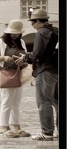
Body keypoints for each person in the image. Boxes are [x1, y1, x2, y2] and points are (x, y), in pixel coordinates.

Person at [15, 9, 58, 140]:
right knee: (58, 103)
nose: (32, 25)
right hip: (57, 70)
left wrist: (25, 58)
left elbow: (37, 54)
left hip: (45, 70)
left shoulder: (42, 33)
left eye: (33, 22)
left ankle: (46, 132)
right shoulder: (55, 31)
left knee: (44, 102)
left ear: (39, 21)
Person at [0, 19, 31, 138]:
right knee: (7, 101)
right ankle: (5, 127)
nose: (15, 35)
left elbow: (25, 55)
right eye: (13, 32)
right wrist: (5, 58)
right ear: (7, 32)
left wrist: (24, 60)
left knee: (16, 101)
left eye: (17, 33)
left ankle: (16, 127)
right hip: (4, 74)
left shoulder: (21, 41)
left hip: (18, 73)